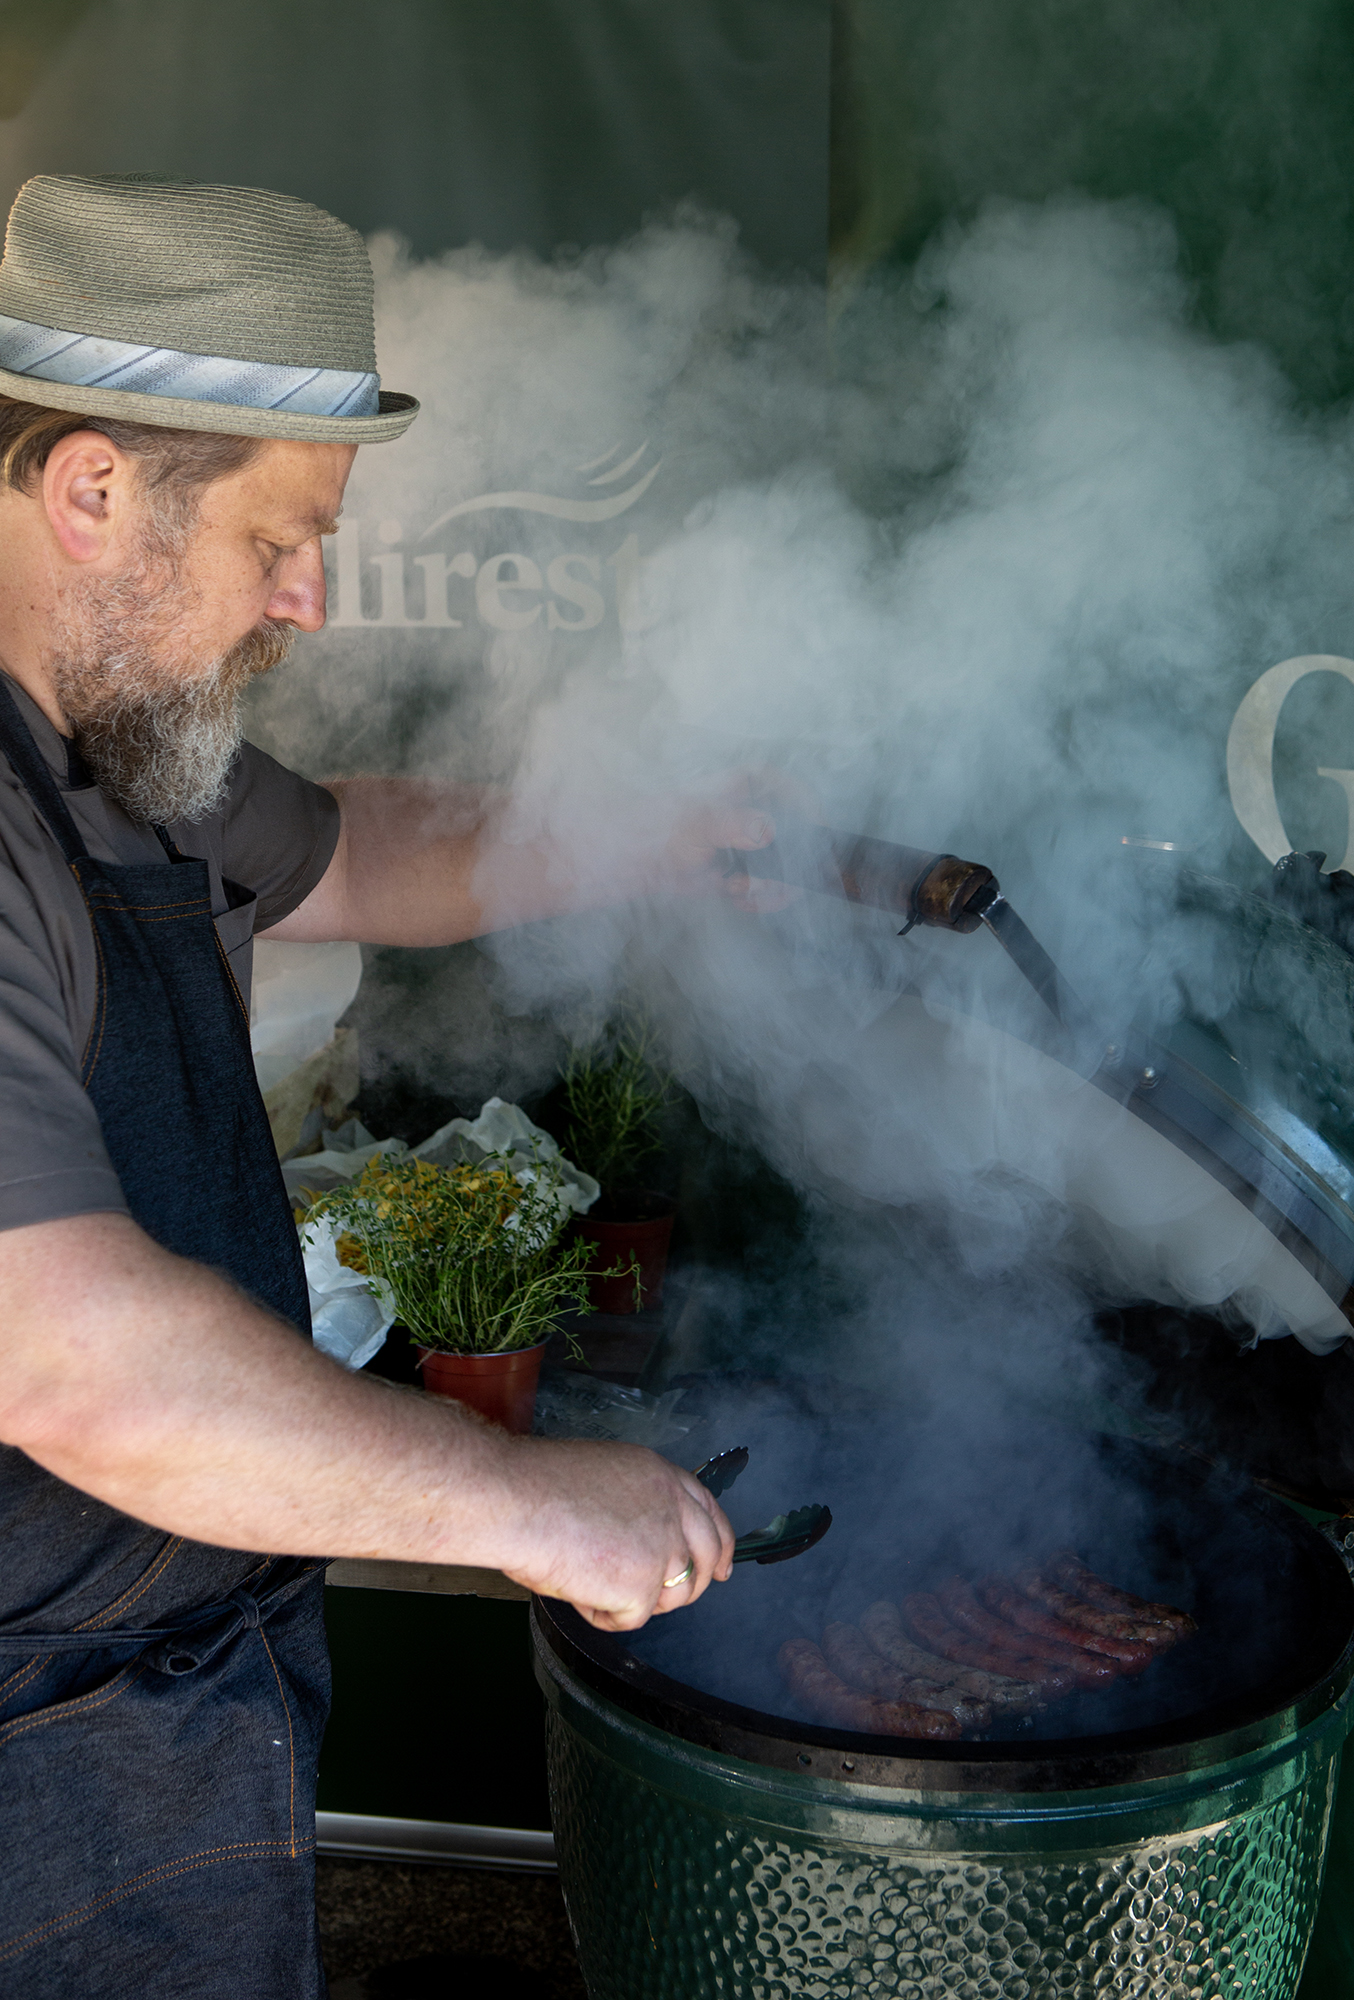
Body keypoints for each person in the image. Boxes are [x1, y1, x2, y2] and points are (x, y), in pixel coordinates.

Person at [0, 175, 771, 1998]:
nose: (314, 602)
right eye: (281, 536)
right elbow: (64, 1355)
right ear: (93, 488)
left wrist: (684, 838)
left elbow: (358, 857)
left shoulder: (123, 744)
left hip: (160, 1682)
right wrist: (526, 1501)